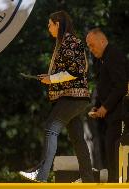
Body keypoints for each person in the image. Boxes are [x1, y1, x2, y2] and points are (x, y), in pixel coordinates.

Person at [19, 10, 94, 183]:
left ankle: (41, 175)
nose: (48, 28)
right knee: (77, 139)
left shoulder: (70, 42)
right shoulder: (66, 43)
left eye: (49, 24)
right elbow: (76, 69)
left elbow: (76, 71)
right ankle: (88, 179)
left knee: (50, 128)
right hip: (76, 98)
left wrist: (52, 78)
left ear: (58, 24)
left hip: (72, 98)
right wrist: (50, 78)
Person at [86, 28, 128, 182]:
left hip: (121, 114)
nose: (91, 49)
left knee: (114, 149)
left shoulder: (114, 55)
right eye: (89, 46)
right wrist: (96, 106)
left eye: (92, 45)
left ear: (102, 41)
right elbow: (102, 86)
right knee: (107, 150)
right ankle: (112, 181)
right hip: (109, 115)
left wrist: (105, 107)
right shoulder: (101, 59)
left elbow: (121, 86)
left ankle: (117, 183)